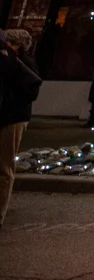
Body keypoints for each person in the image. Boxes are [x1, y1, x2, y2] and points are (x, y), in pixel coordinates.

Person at [0, 30, 42, 229]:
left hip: (13, 118)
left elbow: (29, 92)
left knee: (5, 166)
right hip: (9, 115)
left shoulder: (23, 64)